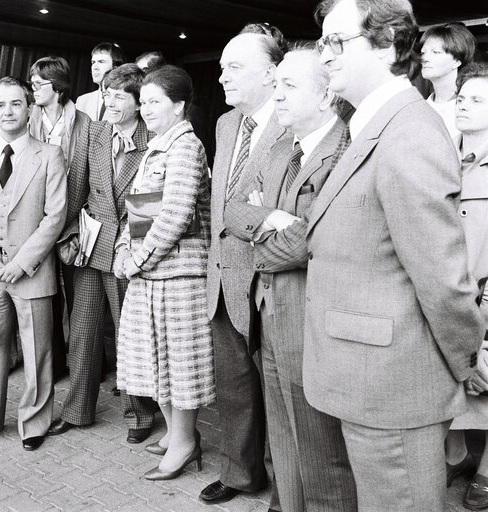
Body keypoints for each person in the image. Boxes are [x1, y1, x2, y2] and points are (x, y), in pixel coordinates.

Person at [306, 0, 484, 509]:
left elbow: (443, 278)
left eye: (336, 41)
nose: (325, 55)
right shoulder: (374, 123)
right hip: (369, 376)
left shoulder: (408, 131)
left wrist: (463, 361)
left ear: (386, 45)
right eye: (323, 42)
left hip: (393, 384)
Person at [226, 47, 357, 511]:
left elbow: (309, 241)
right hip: (269, 314)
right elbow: (233, 210)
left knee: (322, 451)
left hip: (310, 321)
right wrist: (274, 219)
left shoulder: (346, 150)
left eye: (288, 86)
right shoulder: (280, 146)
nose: (275, 94)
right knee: (283, 435)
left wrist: (262, 238)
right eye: (275, 83)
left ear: (325, 97)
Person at [113, 65, 213, 480]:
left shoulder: (186, 146)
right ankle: (174, 434)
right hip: (150, 274)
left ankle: (187, 442)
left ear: (179, 105)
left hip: (178, 276)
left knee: (180, 364)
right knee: (155, 362)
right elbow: (136, 210)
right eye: (145, 100)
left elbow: (174, 215)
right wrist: (122, 248)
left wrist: (136, 261)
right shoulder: (157, 145)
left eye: (156, 101)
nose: (147, 107)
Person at [0, 77, 67, 451]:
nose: (7, 112)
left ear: (29, 107)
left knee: (37, 351)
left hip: (31, 272)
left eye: (15, 104)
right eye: (0, 105)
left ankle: (34, 422)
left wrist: (20, 264)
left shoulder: (49, 154)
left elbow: (54, 217)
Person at [202, 23, 287, 506]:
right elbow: (223, 206)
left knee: (278, 395)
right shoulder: (226, 123)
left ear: (272, 72)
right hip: (223, 277)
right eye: (220, 68)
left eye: (234, 67)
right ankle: (239, 474)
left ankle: (286, 487)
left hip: (272, 279)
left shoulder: (297, 123)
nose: (222, 77)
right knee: (233, 389)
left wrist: (253, 214)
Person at [47, 63, 156, 442]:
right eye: (106, 93)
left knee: (129, 337)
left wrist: (133, 252)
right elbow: (77, 186)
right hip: (92, 248)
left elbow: (149, 209)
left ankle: (140, 414)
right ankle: (77, 411)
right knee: (82, 331)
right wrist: (66, 236)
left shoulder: (153, 139)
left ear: (139, 103)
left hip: (128, 253)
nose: (108, 101)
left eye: (119, 95)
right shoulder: (95, 131)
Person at [28, 56, 91, 379]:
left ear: (58, 86)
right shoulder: (29, 121)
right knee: (44, 295)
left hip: (72, 220)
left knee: (79, 299)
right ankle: (53, 363)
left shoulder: (84, 123)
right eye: (32, 83)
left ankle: (87, 364)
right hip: (35, 220)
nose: (33, 89)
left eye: (39, 83)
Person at [446, 63, 488, 511]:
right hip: (451, 295)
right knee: (450, 378)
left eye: (478, 99)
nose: (464, 105)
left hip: (486, 299)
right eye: (462, 98)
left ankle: (486, 470)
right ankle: (456, 454)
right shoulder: (446, 157)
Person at [419, 22, 476, 140]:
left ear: (457, 61)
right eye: (423, 53)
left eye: (435, 52)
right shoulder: (422, 107)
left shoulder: (468, 108)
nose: (425, 58)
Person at [76, 42, 125, 121]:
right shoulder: (82, 100)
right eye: (93, 62)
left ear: (116, 67)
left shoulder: (125, 98)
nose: (95, 67)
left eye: (101, 62)